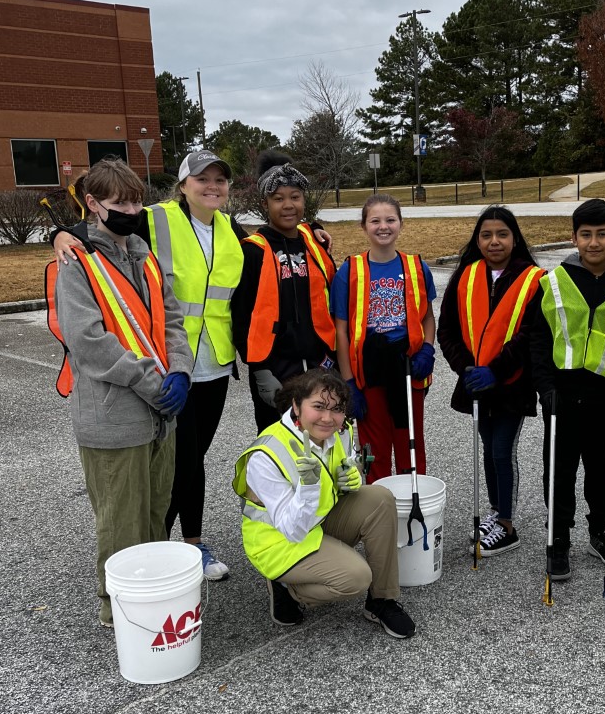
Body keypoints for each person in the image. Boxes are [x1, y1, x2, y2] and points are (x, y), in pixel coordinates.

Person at [52, 148, 248, 582]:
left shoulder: (231, 229)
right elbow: (95, 232)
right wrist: (60, 234)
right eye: (202, 179)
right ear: (182, 185)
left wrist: (317, 234)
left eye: (220, 180)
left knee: (188, 460)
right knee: (175, 467)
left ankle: (175, 550)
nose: (212, 187)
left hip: (207, 362)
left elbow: (176, 305)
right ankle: (154, 561)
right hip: (158, 374)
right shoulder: (154, 220)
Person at [45, 157, 193, 627]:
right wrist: (153, 383)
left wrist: (182, 372)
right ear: (91, 204)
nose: (131, 209)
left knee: (154, 516)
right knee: (121, 524)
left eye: (136, 200)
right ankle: (123, 612)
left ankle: (153, 597)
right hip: (114, 418)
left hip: (159, 416)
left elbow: (172, 321)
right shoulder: (76, 264)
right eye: (119, 202)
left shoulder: (142, 254)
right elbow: (88, 343)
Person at [233, 369, 416, 639]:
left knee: (379, 498)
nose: (328, 418)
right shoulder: (266, 455)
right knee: (355, 577)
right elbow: (291, 529)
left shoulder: (340, 431)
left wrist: (348, 479)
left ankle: (381, 601)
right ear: (296, 405)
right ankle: (288, 588)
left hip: (316, 523)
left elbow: (339, 473)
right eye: (318, 407)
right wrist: (308, 487)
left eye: (337, 409)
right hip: (279, 541)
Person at [530, 198, 605, 583]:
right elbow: (539, 340)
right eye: (586, 235)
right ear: (574, 237)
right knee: (558, 472)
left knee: (600, 471)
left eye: (602, 234)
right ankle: (558, 538)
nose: (594, 243)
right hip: (560, 397)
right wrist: (544, 387)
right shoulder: (554, 282)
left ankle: (601, 531)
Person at [437, 206, 543, 556]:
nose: (494, 241)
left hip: (510, 383)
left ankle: (507, 524)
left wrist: (496, 370)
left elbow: (529, 336)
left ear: (515, 238)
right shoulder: (466, 276)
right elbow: (447, 329)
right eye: (486, 235)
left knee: (502, 450)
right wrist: (465, 367)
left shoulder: (533, 279)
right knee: (487, 449)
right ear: (477, 239)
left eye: (502, 234)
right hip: (475, 382)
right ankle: (496, 513)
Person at [332, 194, 437, 482]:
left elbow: (427, 316)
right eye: (375, 220)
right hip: (369, 371)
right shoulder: (349, 271)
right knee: (374, 450)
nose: (383, 226)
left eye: (390, 219)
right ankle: (379, 511)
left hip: (406, 368)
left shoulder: (417, 267)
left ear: (401, 223)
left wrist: (428, 349)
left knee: (410, 445)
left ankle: (413, 508)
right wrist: (348, 382)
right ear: (363, 226)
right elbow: (341, 329)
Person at [231, 153, 338, 434]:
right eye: (278, 198)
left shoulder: (315, 246)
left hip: (320, 363)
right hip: (275, 369)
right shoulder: (253, 250)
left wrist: (333, 359)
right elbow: (242, 316)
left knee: (322, 440)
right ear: (265, 203)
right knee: (279, 447)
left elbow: (334, 305)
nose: (288, 205)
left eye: (295, 197)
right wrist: (258, 368)